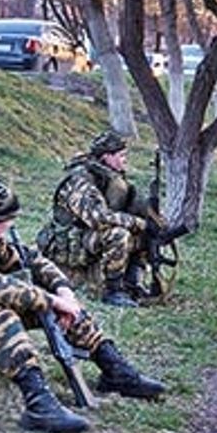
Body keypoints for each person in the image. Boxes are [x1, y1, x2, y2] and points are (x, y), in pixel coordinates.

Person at [0, 176, 166, 433]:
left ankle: (113, 367)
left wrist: (63, 290)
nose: (8, 228)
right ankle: (38, 401)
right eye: (4, 223)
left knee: (59, 306)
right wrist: (52, 300)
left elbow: (30, 259)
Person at [37, 131, 159, 308]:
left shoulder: (108, 176)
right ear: (107, 156)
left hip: (86, 238)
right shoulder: (80, 180)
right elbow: (99, 218)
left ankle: (132, 284)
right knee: (118, 234)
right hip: (69, 244)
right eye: (121, 156)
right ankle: (113, 292)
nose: (125, 160)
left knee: (143, 234)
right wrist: (139, 223)